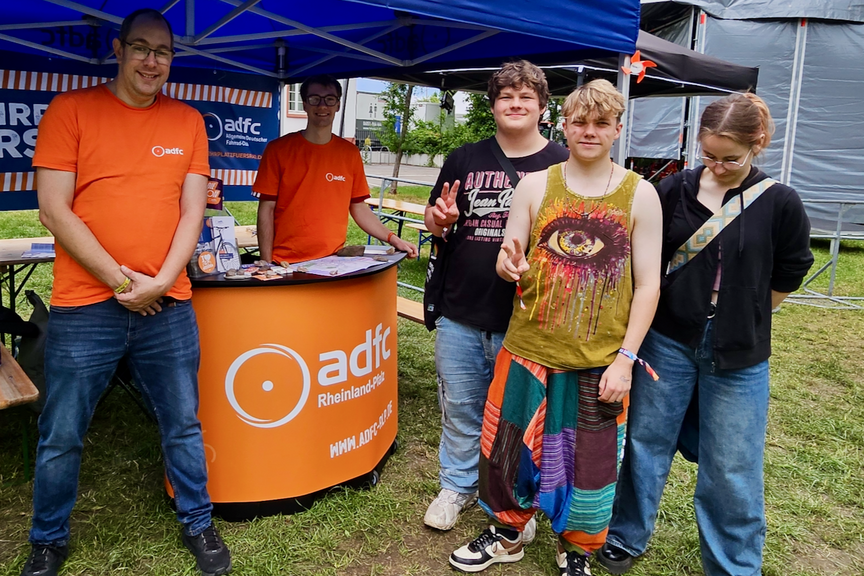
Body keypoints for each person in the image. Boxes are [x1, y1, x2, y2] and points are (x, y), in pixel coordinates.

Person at [22, 9, 231, 576]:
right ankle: (47, 539)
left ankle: (199, 522)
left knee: (183, 421)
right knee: (62, 430)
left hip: (169, 303)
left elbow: (193, 210)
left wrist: (161, 281)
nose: (151, 61)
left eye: (162, 52)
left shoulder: (187, 121)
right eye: (141, 48)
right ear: (118, 50)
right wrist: (122, 282)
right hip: (86, 306)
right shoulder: (71, 111)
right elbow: (52, 210)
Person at [448, 79, 662, 576]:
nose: (589, 132)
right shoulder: (536, 185)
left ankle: (577, 550)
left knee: (589, 463)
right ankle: (507, 532)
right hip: (528, 347)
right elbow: (510, 256)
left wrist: (627, 359)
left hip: (599, 359)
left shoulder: (640, 195)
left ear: (617, 129)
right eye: (580, 122)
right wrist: (510, 266)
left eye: (601, 124)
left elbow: (649, 286)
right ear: (563, 125)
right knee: (506, 452)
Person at [597, 93, 813, 576]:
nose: (716, 167)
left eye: (729, 158)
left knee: (732, 467)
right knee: (645, 444)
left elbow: (792, 270)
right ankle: (626, 536)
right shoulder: (675, 188)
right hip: (668, 341)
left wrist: (747, 315)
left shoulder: (780, 202)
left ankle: (733, 564)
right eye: (708, 155)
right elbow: (644, 257)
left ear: (757, 144)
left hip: (739, 355)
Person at [422, 60, 570, 532]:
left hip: (527, 319)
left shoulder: (563, 164)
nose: (516, 104)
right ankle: (457, 485)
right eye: (506, 96)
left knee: (519, 417)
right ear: (492, 106)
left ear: (543, 108)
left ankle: (514, 499)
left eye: (526, 97)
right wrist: (438, 220)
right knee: (462, 406)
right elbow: (436, 217)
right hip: (461, 311)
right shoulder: (464, 158)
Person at [253, 74, 417, 263]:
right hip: (285, 263)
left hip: (332, 263)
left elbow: (359, 207)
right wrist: (266, 264)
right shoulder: (278, 150)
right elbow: (266, 209)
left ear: (338, 105)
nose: (322, 106)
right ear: (304, 104)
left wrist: (393, 239)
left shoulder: (350, 153)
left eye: (330, 100)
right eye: (314, 99)